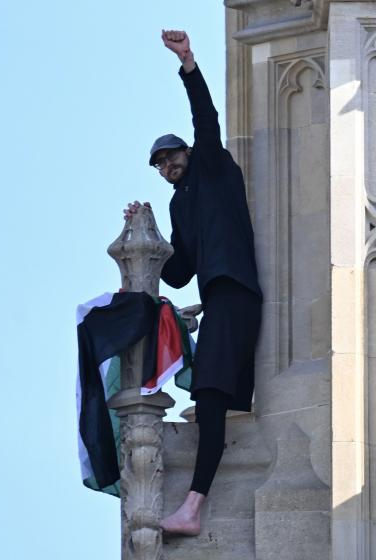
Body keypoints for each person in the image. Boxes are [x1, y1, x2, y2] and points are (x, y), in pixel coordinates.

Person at [123, 29, 262, 537]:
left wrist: (188, 63)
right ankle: (200, 502)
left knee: (208, 395)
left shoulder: (213, 167)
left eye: (170, 156)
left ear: (187, 151)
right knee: (220, 402)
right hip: (222, 294)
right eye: (159, 164)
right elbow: (178, 270)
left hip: (234, 290)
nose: (167, 165)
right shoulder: (181, 203)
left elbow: (207, 116)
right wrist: (148, 232)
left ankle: (193, 507)